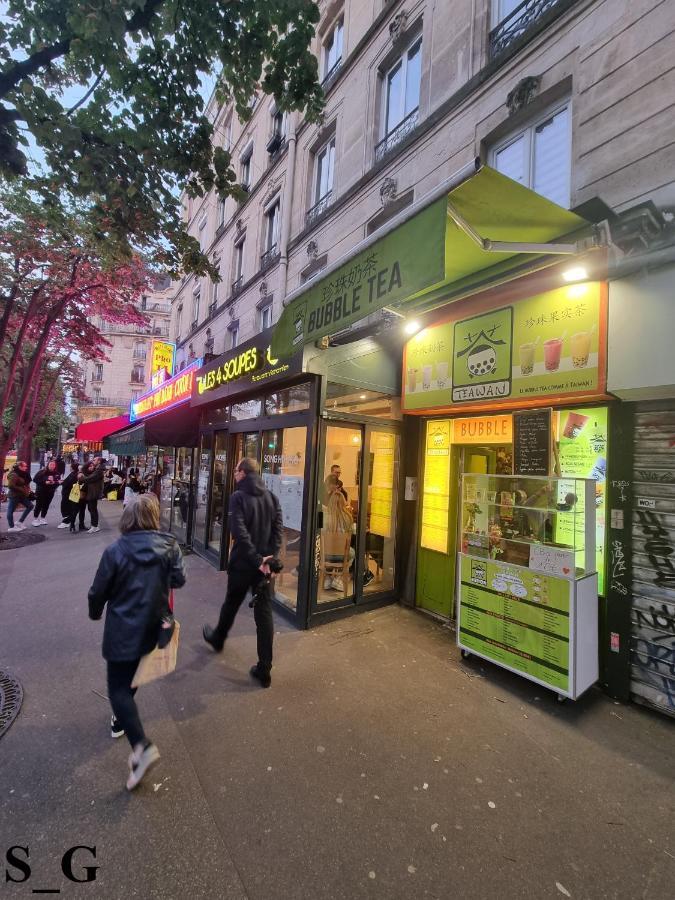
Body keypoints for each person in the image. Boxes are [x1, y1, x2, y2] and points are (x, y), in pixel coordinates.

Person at [88, 494, 186, 791]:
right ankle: (123, 719)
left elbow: (97, 592)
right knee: (130, 682)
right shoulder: (170, 545)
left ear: (128, 517)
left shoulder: (115, 551)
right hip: (152, 628)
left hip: (122, 629)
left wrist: (95, 613)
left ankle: (142, 748)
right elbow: (178, 581)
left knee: (117, 689)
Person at [202, 457, 283, 688]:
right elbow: (277, 532)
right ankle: (264, 669)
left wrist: (258, 559)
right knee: (264, 615)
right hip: (263, 569)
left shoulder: (237, 497)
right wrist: (268, 558)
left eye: (236, 469)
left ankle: (218, 639)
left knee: (232, 602)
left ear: (244, 473)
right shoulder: (272, 497)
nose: (234, 473)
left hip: (242, 564)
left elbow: (238, 531)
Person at [323, 490, 356, 591]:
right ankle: (338, 578)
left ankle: (328, 577)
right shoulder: (348, 517)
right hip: (342, 555)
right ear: (343, 502)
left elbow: (319, 532)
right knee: (352, 552)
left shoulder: (323, 516)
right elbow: (353, 532)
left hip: (326, 554)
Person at [78, 456, 105, 533]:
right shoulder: (98, 469)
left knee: (92, 509)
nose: (93, 461)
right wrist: (81, 472)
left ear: (99, 461)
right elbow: (86, 473)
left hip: (94, 492)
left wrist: (81, 478)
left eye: (94, 460)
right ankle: (94, 525)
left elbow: (90, 478)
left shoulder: (99, 470)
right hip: (92, 491)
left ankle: (95, 526)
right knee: (91, 509)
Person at [6, 461, 34, 532]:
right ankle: (11, 527)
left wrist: (28, 490)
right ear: (20, 467)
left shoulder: (22, 474)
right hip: (14, 495)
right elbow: (11, 485)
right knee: (10, 510)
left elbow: (25, 483)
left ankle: (20, 522)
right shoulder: (14, 474)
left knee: (30, 506)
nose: (26, 468)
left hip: (21, 495)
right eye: (24, 466)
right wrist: (21, 489)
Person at [32, 459, 61, 525]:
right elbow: (35, 480)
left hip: (50, 492)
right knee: (39, 505)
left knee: (46, 505)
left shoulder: (57, 473)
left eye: (54, 465)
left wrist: (55, 483)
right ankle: (35, 519)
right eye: (51, 464)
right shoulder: (42, 472)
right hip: (40, 491)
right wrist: (44, 482)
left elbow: (58, 482)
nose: (52, 466)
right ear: (48, 465)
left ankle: (43, 518)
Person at [58, 462, 81, 531]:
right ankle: (68, 521)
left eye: (71, 466)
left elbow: (68, 483)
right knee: (68, 507)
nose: (69, 467)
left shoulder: (74, 474)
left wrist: (62, 482)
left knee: (68, 507)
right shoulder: (73, 474)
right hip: (68, 494)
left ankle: (66, 521)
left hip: (70, 494)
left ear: (73, 467)